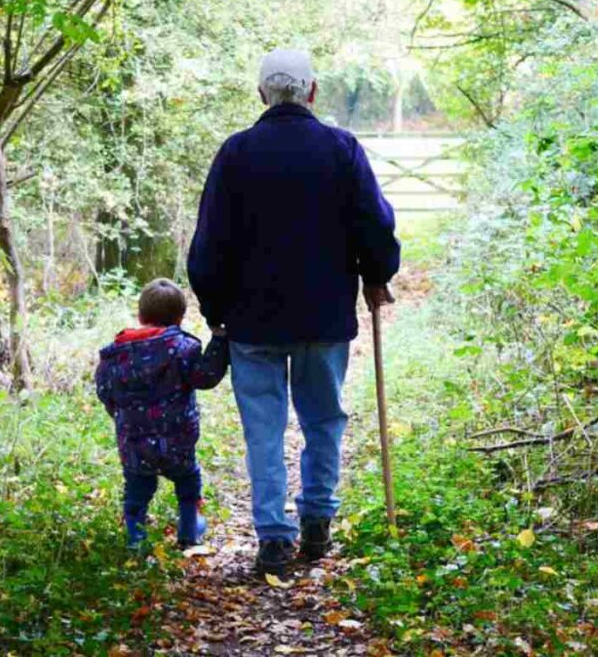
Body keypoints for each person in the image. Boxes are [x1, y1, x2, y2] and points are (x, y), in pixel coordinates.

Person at [187, 48, 401, 575]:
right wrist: (378, 274)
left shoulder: (235, 154)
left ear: (262, 93)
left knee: (264, 428)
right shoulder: (341, 149)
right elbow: (374, 225)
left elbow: (208, 245)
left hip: (251, 320)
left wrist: (216, 311)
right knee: (323, 419)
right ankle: (317, 523)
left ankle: (274, 539)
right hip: (323, 317)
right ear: (312, 91)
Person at [95, 278, 229, 549]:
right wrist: (220, 341)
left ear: (140, 315)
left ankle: (137, 540)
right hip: (178, 439)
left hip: (133, 441)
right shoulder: (183, 349)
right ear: (180, 318)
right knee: (188, 481)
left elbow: (105, 391)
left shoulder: (115, 355)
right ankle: (189, 531)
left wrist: (122, 417)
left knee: (136, 490)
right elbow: (205, 377)